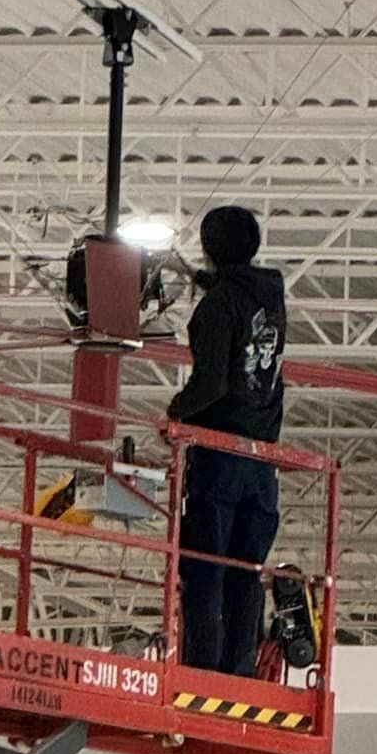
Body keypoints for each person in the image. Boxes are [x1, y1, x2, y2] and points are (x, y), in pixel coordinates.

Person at [168, 207, 286, 677]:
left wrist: (176, 411)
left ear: (209, 247)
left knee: (204, 568)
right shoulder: (271, 299)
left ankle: (202, 671)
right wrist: (202, 279)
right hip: (262, 464)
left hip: (220, 457)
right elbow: (240, 305)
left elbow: (212, 382)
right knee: (245, 572)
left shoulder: (217, 308)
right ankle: (237, 673)